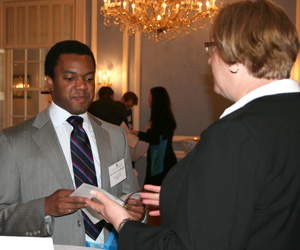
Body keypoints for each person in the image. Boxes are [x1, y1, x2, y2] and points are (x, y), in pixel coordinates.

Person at [85, 0, 300, 249]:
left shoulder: (235, 134)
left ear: (236, 57)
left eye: (213, 48)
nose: (209, 61)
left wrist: (122, 222)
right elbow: (264, 201)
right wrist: (175, 195)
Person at [0, 40, 144, 248]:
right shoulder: (13, 141)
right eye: (70, 78)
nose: (82, 86)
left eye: (89, 78)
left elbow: (129, 196)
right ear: (50, 82)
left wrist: (138, 212)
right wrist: (44, 208)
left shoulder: (115, 136)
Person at [131, 86, 177, 185]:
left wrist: (147, 131)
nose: (149, 99)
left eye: (150, 96)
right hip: (163, 157)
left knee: (154, 187)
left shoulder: (161, 117)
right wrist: (139, 133)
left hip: (161, 160)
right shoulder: (165, 115)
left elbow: (155, 138)